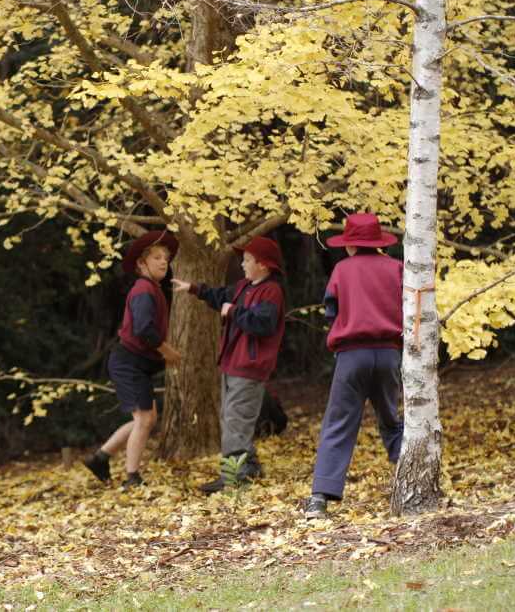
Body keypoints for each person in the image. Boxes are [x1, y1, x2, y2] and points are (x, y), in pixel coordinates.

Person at [304, 213, 404, 519]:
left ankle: (320, 497)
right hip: (389, 354)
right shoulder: (396, 268)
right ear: (377, 243)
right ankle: (408, 478)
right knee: (391, 419)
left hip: (352, 355)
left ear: (350, 245)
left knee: (339, 423)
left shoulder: (342, 270)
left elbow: (330, 311)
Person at [173, 236, 286, 494]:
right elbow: (220, 295)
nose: (243, 264)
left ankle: (233, 478)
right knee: (232, 418)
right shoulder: (244, 286)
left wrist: (233, 312)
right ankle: (251, 467)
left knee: (236, 420)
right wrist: (193, 288)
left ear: (264, 265)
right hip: (233, 363)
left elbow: (263, 325)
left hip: (249, 365)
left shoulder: (271, 291)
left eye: (247, 260)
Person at [83, 231, 180, 488]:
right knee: (145, 419)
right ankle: (132, 478)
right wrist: (166, 350)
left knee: (146, 419)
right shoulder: (143, 290)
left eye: (166, 258)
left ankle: (100, 458)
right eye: (157, 257)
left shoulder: (153, 289)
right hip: (128, 363)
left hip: (136, 364)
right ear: (141, 263)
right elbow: (143, 329)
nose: (163, 262)